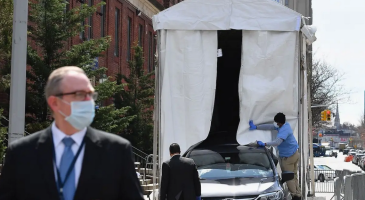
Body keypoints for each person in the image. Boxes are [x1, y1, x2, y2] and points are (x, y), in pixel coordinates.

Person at [0, 66, 144, 200]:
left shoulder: (117, 151)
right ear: (54, 102)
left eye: (91, 94)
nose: (89, 101)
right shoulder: (21, 153)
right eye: (80, 94)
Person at [249, 112, 301, 200]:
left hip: (288, 158)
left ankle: (295, 196)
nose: (276, 124)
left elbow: (277, 142)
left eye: (277, 122)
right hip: (295, 154)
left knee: (289, 178)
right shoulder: (285, 125)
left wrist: (264, 144)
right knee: (294, 175)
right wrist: (256, 127)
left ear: (280, 122)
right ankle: (298, 194)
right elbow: (271, 126)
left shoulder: (284, 131)